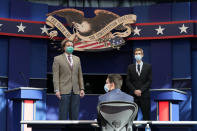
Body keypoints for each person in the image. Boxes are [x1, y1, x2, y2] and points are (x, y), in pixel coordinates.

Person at [52, 39, 85, 120]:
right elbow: (55, 76)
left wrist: (82, 88)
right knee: (63, 114)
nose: (70, 47)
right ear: (64, 47)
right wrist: (57, 90)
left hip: (76, 90)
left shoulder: (77, 59)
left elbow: (80, 74)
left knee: (74, 115)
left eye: (72, 46)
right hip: (63, 90)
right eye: (68, 46)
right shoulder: (57, 59)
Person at [126, 48, 152, 120]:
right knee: (133, 118)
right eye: (136, 54)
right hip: (133, 97)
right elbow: (128, 81)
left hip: (145, 96)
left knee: (146, 117)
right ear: (134, 55)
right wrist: (134, 91)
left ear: (142, 55)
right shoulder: (130, 67)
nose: (138, 55)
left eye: (139, 54)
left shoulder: (148, 67)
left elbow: (149, 81)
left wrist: (141, 90)